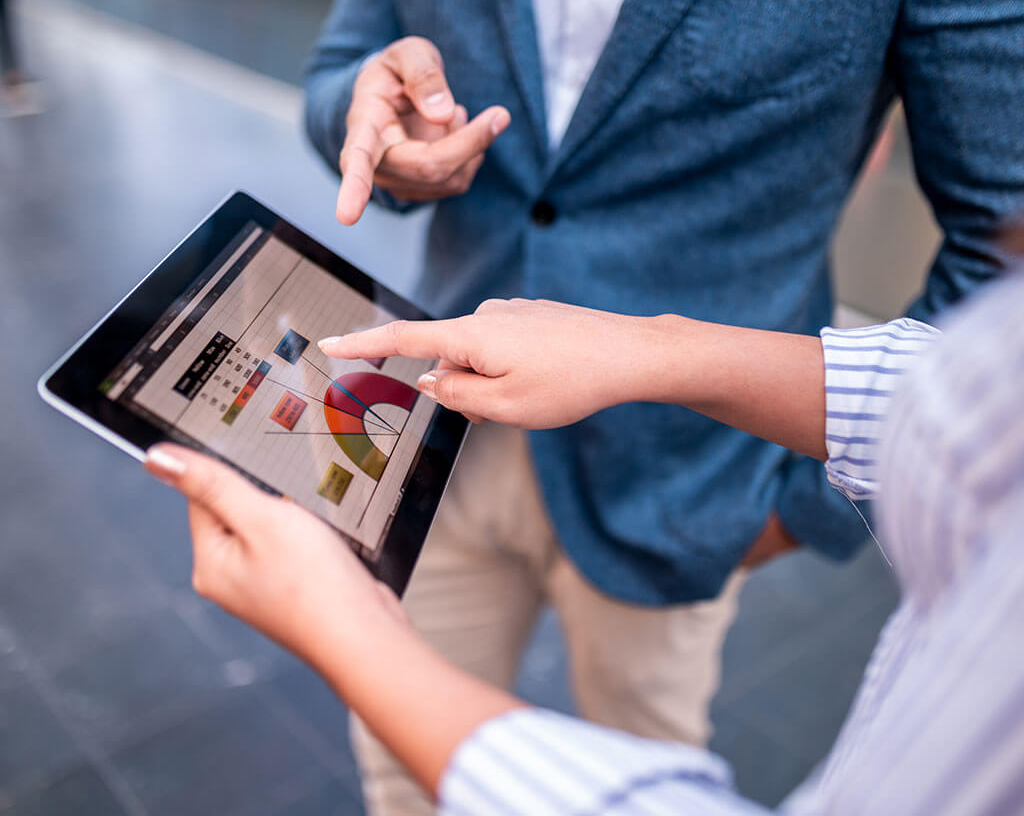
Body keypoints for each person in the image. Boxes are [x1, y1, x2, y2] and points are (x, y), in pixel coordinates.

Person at [304, 1, 1024, 810]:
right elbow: (344, 64)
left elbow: (1003, 256)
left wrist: (810, 505)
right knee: (403, 770)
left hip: (684, 479)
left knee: (651, 748)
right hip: (435, 437)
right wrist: (366, 126)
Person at [144, 252, 1024, 813]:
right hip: (438, 438)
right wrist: (659, 349)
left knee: (650, 728)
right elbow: (985, 381)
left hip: (674, 495)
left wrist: (349, 634)